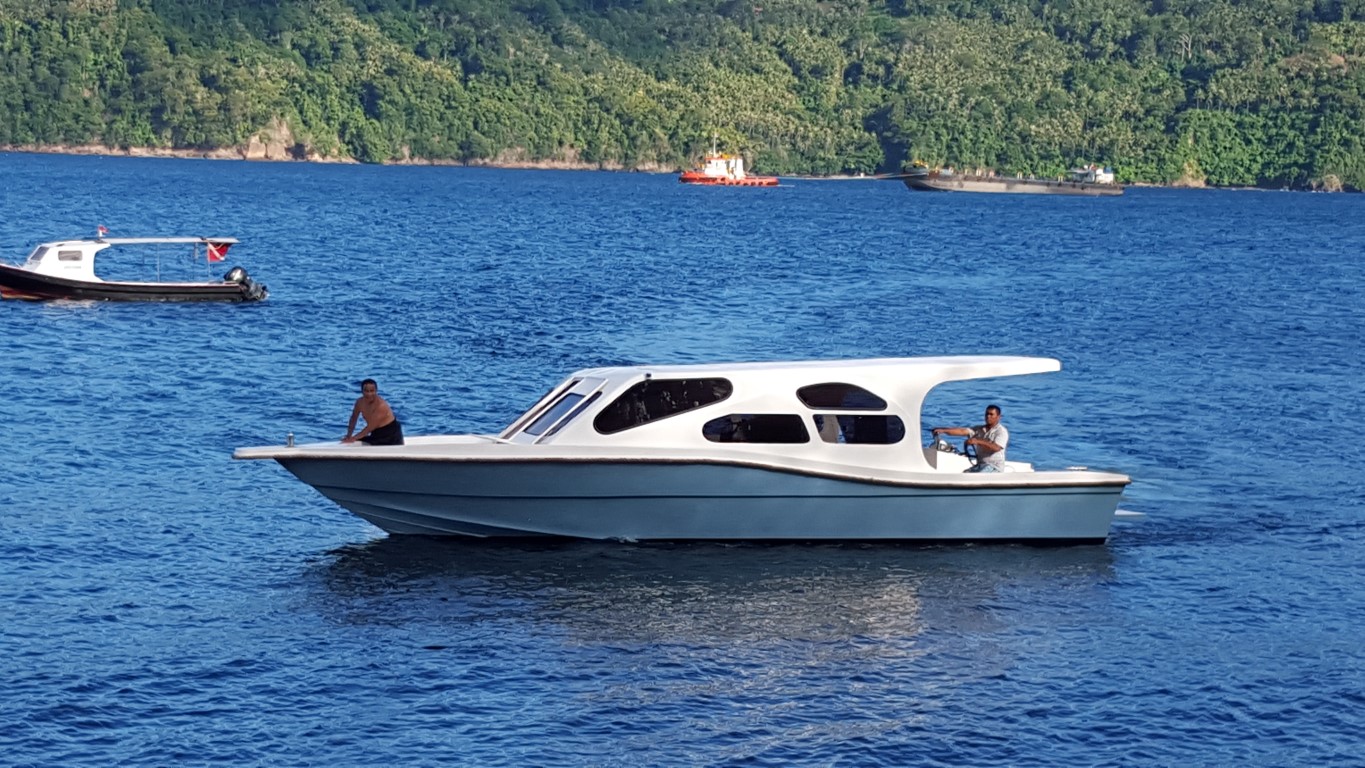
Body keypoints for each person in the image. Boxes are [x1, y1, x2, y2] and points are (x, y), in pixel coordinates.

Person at [932, 404, 1008, 473]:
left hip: (994, 467)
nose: (988, 416)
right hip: (981, 465)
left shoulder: (1001, 431)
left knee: (977, 476)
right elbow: (962, 431)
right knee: (965, 474)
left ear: (998, 417)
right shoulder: (979, 429)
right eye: (987, 414)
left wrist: (978, 441)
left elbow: (996, 447)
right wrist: (943, 430)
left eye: (991, 414)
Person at [342, 378, 404, 445]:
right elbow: (353, 418)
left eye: (372, 391)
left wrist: (353, 438)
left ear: (376, 391)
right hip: (376, 433)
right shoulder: (359, 402)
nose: (369, 394)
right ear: (362, 391)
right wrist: (349, 435)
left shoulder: (381, 406)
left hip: (391, 435)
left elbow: (370, 427)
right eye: (366, 391)